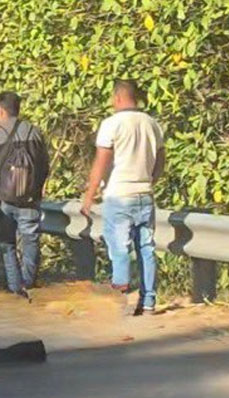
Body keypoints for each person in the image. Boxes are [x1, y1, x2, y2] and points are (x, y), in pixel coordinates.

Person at [82, 79, 166, 313]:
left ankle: (122, 300)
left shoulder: (111, 124)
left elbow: (101, 161)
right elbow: (161, 161)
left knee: (119, 249)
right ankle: (148, 301)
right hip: (145, 194)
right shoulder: (152, 123)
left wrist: (90, 195)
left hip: (119, 195)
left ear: (117, 98)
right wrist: (150, 181)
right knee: (147, 249)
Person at [0, 92, 50, 299]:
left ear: (0, 110)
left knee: (7, 242)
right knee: (30, 238)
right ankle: (29, 281)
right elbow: (44, 165)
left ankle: (15, 285)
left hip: (4, 199)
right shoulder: (34, 131)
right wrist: (36, 189)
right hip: (30, 198)